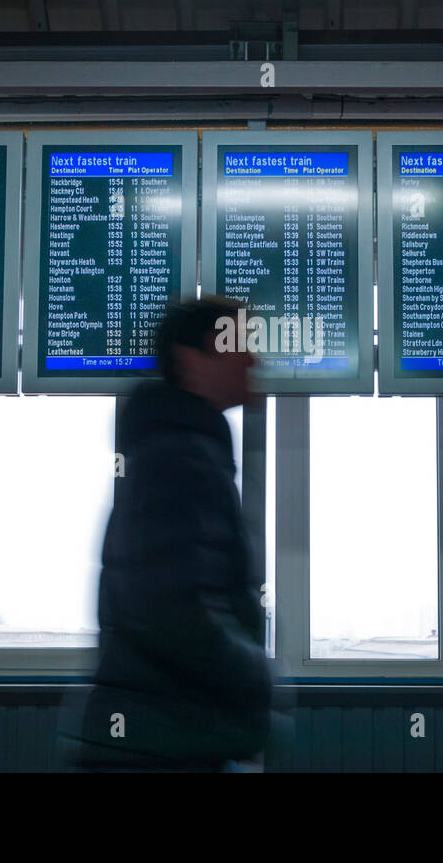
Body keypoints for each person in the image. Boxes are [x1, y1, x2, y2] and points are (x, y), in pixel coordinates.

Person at [71, 296, 273, 770]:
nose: (252, 359)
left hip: (165, 736)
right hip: (163, 746)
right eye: (235, 344)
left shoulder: (184, 451)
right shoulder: (179, 461)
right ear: (191, 361)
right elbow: (175, 610)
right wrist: (258, 677)